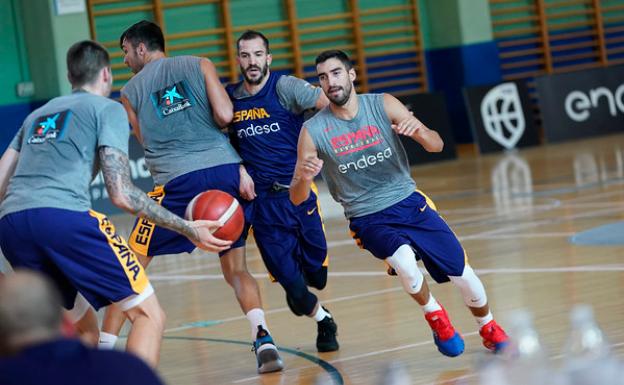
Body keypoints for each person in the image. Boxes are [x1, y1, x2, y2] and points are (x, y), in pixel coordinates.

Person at [0, 40, 227, 367]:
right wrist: (187, 226)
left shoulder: (37, 115)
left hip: (12, 228)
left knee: (84, 334)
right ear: (106, 74)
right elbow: (121, 193)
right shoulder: (108, 109)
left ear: (70, 76)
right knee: (149, 315)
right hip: (63, 219)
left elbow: (2, 182)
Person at [290, 50, 509, 357]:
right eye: (323, 77)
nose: (330, 82)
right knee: (405, 263)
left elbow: (437, 145)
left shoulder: (382, 104)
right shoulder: (313, 130)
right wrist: (302, 177)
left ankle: (487, 326)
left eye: (336, 73)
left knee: (464, 275)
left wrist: (417, 132)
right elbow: (298, 198)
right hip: (367, 216)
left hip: (408, 202)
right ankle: (436, 317)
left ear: (351, 75)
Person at [100, 20, 283, 373]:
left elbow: (145, 140)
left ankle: (102, 352)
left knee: (128, 270)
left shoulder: (129, 91)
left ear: (141, 48)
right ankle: (263, 337)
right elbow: (227, 115)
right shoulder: (200, 64)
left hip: (174, 183)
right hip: (224, 175)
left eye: (125, 51)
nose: (124, 60)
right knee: (236, 270)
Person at [225, 30, 338, 352]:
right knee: (297, 292)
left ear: (268, 58)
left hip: (299, 196)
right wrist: (238, 167)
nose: (252, 62)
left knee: (317, 279)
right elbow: (218, 139)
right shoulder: (231, 100)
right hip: (263, 207)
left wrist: (320, 146)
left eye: (258, 55)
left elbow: (329, 103)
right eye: (245, 55)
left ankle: (307, 292)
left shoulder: (285, 87)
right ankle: (324, 320)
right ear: (238, 60)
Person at [0, 270, 166, 385]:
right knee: (148, 314)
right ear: (66, 323)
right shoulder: (130, 368)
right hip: (69, 223)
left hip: (14, 231)